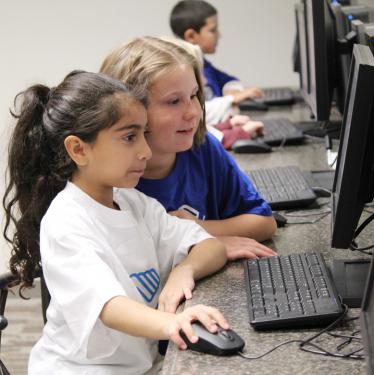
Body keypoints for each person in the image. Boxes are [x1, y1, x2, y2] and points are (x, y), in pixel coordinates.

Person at [3, 70, 229, 374]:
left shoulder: (133, 203)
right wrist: (173, 322)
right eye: (129, 137)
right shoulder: (66, 222)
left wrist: (184, 270)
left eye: (144, 135)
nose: (146, 152)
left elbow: (208, 246)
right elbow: (109, 307)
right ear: (79, 149)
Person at [100, 37, 277, 260]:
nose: (193, 112)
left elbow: (264, 222)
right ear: (130, 111)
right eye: (174, 101)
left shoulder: (202, 148)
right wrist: (200, 241)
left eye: (194, 95)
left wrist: (198, 229)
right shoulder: (110, 179)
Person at [169, 0, 264, 104]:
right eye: (213, 30)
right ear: (191, 36)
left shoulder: (204, 65)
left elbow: (228, 80)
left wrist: (231, 89)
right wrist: (231, 100)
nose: (219, 35)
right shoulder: (180, 72)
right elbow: (200, 110)